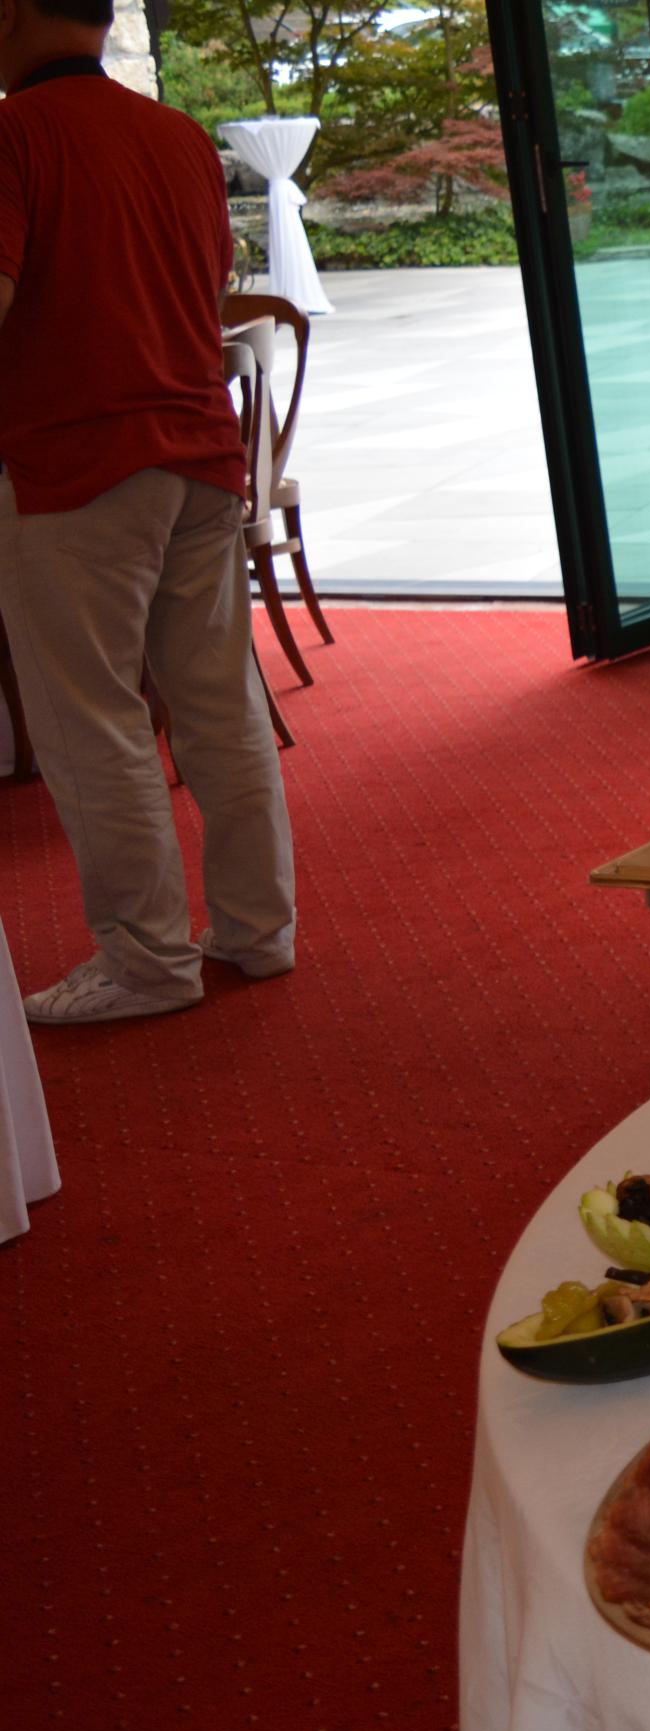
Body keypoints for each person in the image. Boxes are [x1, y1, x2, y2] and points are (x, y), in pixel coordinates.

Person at [0, 0, 295, 1025]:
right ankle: (259, 930)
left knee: (93, 720)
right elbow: (208, 292)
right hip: (200, 453)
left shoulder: (14, 136)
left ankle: (147, 961)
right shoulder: (176, 138)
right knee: (219, 703)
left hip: (74, 465)